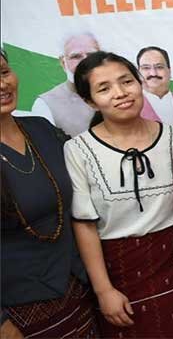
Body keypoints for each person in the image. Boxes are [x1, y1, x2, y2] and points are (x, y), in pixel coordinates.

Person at [65, 51, 173, 338]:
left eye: (127, 81)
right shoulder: (78, 150)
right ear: (88, 101)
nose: (121, 93)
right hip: (118, 271)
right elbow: (84, 224)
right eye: (104, 88)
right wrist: (104, 290)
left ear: (139, 83)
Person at [0, 50, 98, 338]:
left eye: (4, 73)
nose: (3, 85)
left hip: (76, 287)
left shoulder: (41, 129)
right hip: (19, 309)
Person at [31, 32, 99, 136]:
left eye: (92, 55)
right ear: (63, 62)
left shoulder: (120, 93)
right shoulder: (46, 104)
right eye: (76, 56)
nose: (85, 61)